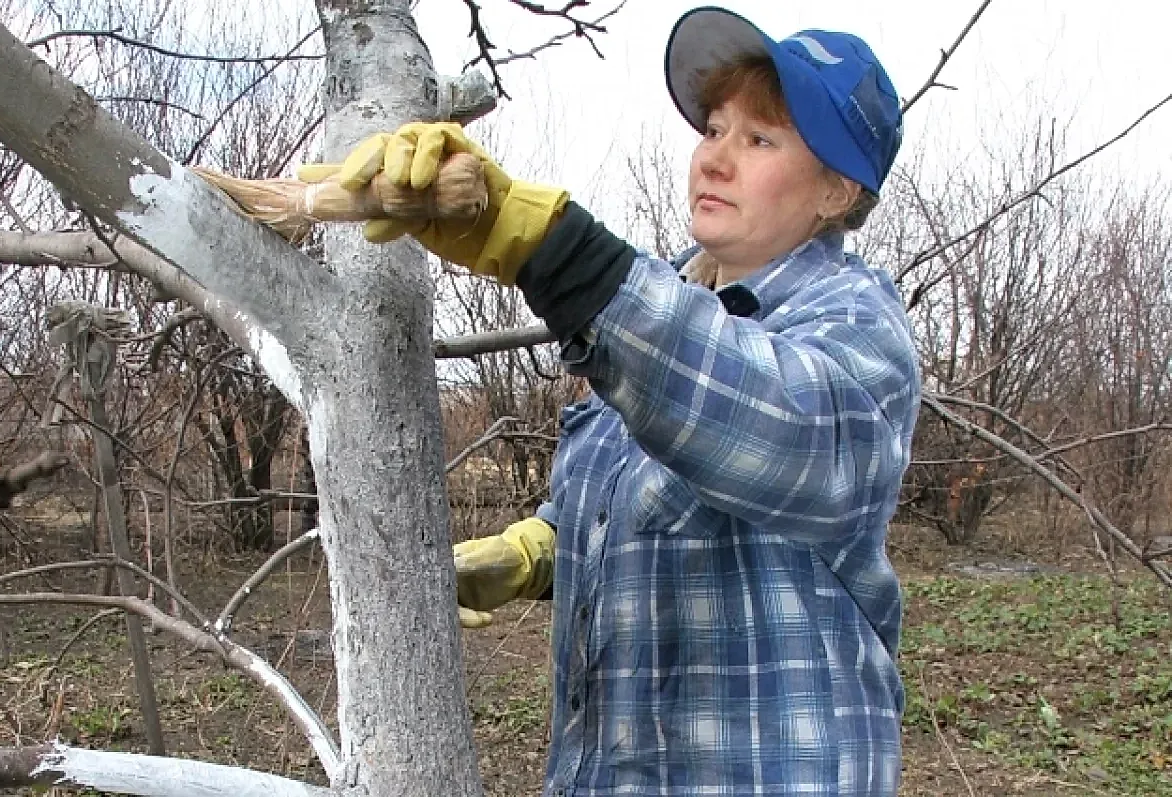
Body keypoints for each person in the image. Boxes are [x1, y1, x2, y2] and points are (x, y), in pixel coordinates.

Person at [310, 6, 921, 795]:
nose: (716, 160)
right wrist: (539, 550)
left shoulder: (855, 328)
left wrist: (552, 250)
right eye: (713, 130)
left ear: (838, 190)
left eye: (760, 140)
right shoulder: (657, 302)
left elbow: (767, 430)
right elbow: (643, 495)